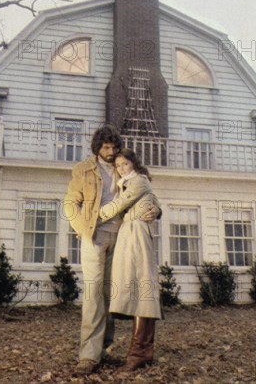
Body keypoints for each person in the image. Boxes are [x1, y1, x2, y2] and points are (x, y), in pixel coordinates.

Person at [64, 125, 158, 375]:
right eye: (106, 147)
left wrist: (156, 211)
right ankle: (88, 356)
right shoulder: (83, 169)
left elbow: (146, 192)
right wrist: (83, 226)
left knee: (111, 293)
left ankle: (103, 350)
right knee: (93, 293)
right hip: (94, 237)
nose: (110, 151)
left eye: (114, 147)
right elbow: (70, 203)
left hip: (122, 238)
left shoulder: (123, 167)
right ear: (97, 147)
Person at [98, 148, 161, 372]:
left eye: (125, 164)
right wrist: (156, 209)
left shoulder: (138, 181)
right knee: (134, 290)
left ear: (133, 163)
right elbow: (154, 202)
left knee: (142, 289)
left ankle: (138, 354)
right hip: (128, 235)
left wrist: (89, 219)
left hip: (136, 234)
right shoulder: (126, 183)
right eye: (118, 165)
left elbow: (119, 205)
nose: (122, 168)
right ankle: (143, 351)